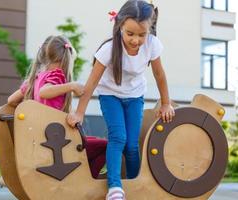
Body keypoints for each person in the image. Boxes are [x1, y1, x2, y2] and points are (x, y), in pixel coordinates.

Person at [66, 1, 175, 199]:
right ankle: (114, 187)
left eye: (142, 34)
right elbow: (91, 83)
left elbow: (159, 74)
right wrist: (79, 112)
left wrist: (166, 102)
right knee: (118, 138)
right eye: (130, 34)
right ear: (120, 27)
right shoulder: (108, 49)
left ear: (149, 30)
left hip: (135, 97)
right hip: (110, 96)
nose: (136, 40)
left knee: (132, 145)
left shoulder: (152, 44)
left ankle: (134, 184)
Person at [7, 35, 107, 179]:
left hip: (41, 139)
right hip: (57, 142)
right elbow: (44, 92)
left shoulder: (35, 79)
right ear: (66, 59)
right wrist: (71, 86)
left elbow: (11, 100)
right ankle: (85, 180)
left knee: (91, 140)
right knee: (105, 146)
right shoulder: (57, 75)